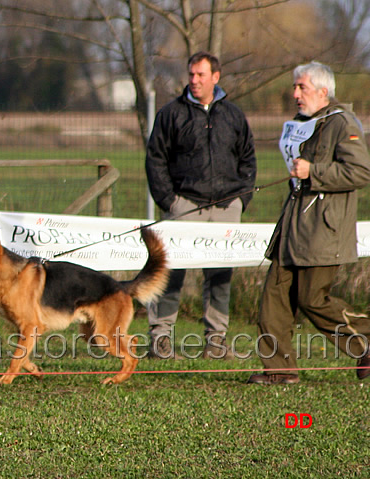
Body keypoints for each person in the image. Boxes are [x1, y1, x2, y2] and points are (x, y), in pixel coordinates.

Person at [248, 61, 370, 385]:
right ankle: (279, 371)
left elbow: (361, 171)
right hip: (292, 226)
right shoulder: (302, 124)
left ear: (323, 91)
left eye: (301, 87)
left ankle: (366, 339)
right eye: (294, 87)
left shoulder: (343, 123)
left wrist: (313, 172)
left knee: (313, 300)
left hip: (322, 231)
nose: (295, 94)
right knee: (273, 299)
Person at [145, 51, 257, 360]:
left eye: (200, 75)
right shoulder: (171, 114)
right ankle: (160, 341)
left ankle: (216, 342)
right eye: (191, 75)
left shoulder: (233, 116)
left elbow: (248, 159)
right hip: (184, 205)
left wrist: (240, 199)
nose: (194, 80)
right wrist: (170, 201)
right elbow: (155, 160)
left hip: (226, 208)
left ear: (215, 78)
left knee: (220, 275)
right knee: (170, 272)